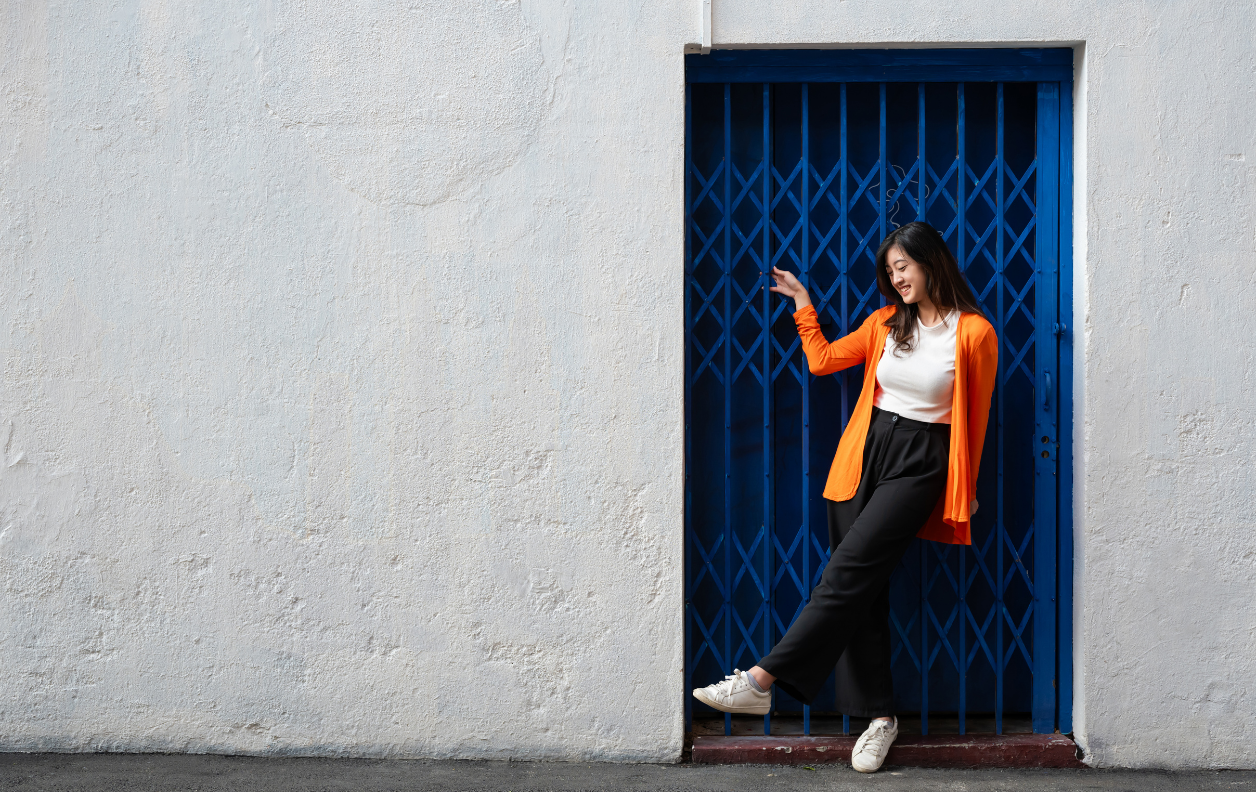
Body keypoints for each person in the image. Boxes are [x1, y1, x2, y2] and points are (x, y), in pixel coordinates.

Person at [692, 221, 999, 773]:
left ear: (931, 261)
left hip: (923, 460)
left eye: (903, 267)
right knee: (862, 589)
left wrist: (966, 487)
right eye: (889, 271)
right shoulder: (885, 323)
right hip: (863, 456)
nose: (896, 278)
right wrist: (804, 306)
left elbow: (973, 420)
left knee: (846, 574)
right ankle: (880, 719)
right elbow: (824, 360)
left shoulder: (975, 333)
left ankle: (761, 679)